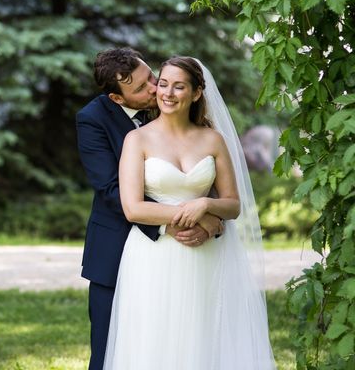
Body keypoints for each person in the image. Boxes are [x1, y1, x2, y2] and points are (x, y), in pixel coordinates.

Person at [103, 56, 275, 369]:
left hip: (206, 255)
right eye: (163, 84)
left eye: (179, 86)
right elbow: (132, 207)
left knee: (206, 333)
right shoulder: (137, 139)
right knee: (155, 337)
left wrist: (206, 205)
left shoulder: (213, 139)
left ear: (196, 93)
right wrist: (192, 216)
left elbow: (233, 204)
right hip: (153, 256)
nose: (167, 92)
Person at [76, 48, 224, 370]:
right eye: (142, 89)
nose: (156, 90)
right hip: (116, 250)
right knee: (110, 351)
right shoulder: (93, 120)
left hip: (187, 258)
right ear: (117, 99)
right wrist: (180, 220)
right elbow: (111, 191)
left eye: (151, 78)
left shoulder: (172, 106)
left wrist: (213, 219)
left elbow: (202, 173)